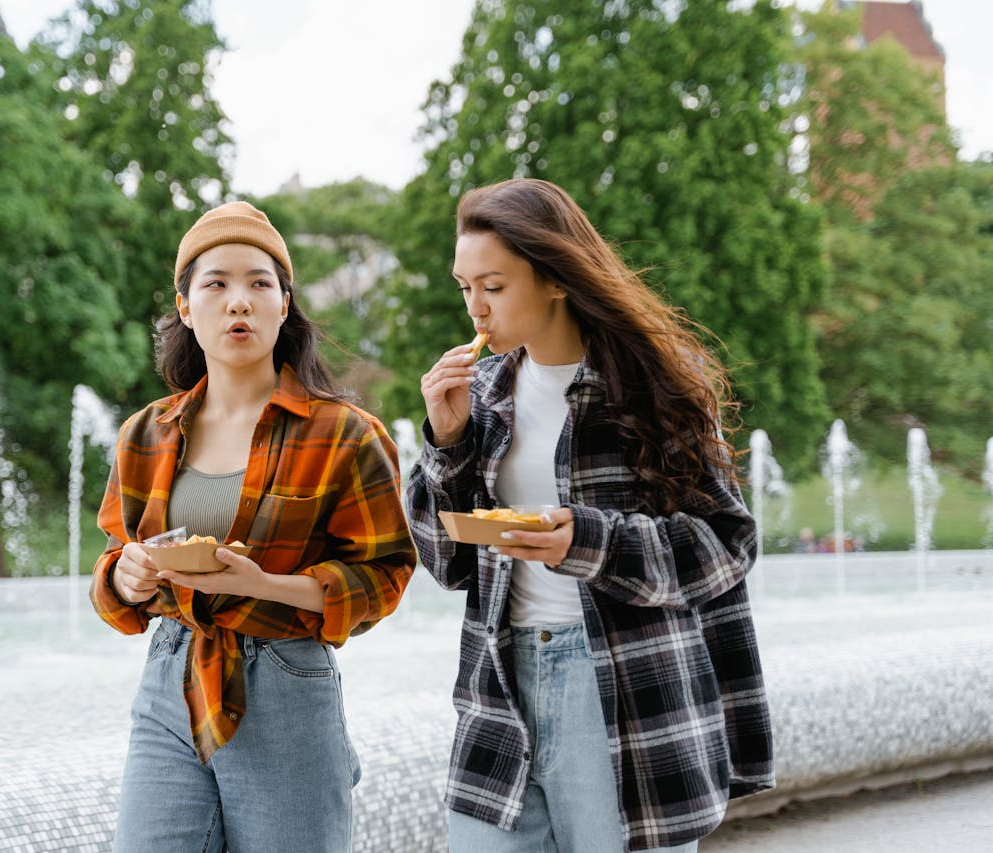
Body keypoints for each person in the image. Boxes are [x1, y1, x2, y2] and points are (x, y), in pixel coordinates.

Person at [406, 179, 773, 852]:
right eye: (465, 288)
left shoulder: (656, 385)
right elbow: (448, 562)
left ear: (553, 278)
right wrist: (448, 441)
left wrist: (589, 540)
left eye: (493, 285)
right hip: (499, 685)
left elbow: (727, 543)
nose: (475, 307)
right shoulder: (481, 393)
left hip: (621, 685)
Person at [90, 201, 416, 853]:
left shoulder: (346, 435)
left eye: (259, 283)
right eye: (216, 283)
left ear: (284, 302)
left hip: (287, 682)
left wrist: (265, 583)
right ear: (186, 306)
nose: (239, 301)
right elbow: (113, 577)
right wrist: (124, 576)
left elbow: (382, 578)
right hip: (171, 678)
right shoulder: (145, 434)